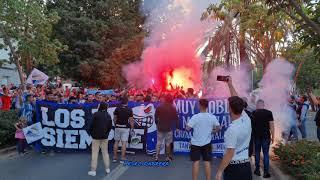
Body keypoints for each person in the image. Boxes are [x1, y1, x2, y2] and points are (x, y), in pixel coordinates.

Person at [216, 77, 252, 180]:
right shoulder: (246, 119)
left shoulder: (232, 129)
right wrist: (230, 84)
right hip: (246, 166)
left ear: (230, 109)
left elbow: (230, 153)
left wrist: (219, 171)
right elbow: (237, 99)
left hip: (234, 169)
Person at [186, 99, 221, 180]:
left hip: (195, 143)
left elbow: (187, 128)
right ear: (207, 106)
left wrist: (188, 125)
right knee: (207, 162)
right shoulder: (212, 117)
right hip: (207, 143)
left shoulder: (195, 117)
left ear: (200, 106)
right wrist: (213, 131)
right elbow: (219, 127)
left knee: (196, 162)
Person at [88, 103, 113, 176]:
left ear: (100, 106)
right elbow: (110, 126)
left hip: (96, 137)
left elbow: (91, 125)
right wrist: (107, 133)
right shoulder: (108, 115)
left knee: (95, 153)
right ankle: (107, 168)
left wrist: (92, 133)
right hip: (104, 137)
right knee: (105, 153)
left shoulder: (96, 114)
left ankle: (93, 170)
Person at [252, 99, 274, 178]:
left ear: (257, 105)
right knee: (265, 154)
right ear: (263, 105)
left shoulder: (254, 113)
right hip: (266, 136)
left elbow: (252, 126)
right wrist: (273, 136)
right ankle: (266, 172)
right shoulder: (269, 113)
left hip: (256, 136)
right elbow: (271, 125)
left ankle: (257, 170)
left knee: (257, 153)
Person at [154, 94, 179, 161]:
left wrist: (157, 124)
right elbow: (176, 118)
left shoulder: (159, 107)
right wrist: (177, 127)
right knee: (168, 143)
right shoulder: (173, 108)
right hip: (168, 128)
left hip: (160, 127)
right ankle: (167, 157)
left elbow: (155, 117)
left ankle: (156, 157)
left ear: (165, 99)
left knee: (158, 142)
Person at [113, 97, 134, 163]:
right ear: (127, 102)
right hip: (125, 128)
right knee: (124, 143)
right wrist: (132, 128)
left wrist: (115, 124)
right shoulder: (129, 109)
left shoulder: (117, 108)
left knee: (116, 142)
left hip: (117, 127)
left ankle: (115, 157)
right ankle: (122, 158)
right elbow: (131, 120)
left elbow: (114, 119)